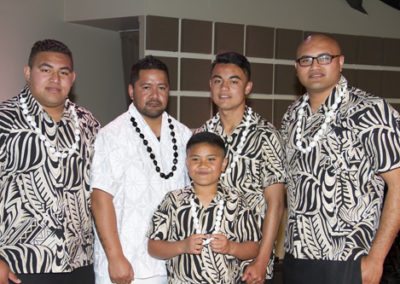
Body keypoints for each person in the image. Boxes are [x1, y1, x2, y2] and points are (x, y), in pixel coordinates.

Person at [280, 33, 400, 284]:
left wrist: (376, 259)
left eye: (324, 58)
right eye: (306, 60)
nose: (314, 66)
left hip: (350, 258)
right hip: (296, 258)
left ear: (341, 61)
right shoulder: (291, 116)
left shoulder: (371, 110)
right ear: (296, 68)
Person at [0, 39, 100, 284]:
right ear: (27, 72)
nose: (55, 79)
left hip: (81, 263)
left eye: (63, 72)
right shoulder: (4, 121)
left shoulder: (88, 123)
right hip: (20, 265)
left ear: (72, 77)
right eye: (46, 70)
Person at [91, 55, 192, 284]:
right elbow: (100, 199)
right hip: (126, 264)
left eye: (161, 87)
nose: (154, 95)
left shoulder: (184, 135)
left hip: (173, 264)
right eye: (146, 87)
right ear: (131, 90)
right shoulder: (112, 135)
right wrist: (115, 257)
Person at [198, 51, 286, 283]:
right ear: (210, 85)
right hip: (207, 264)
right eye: (218, 81)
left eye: (233, 81)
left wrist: (262, 261)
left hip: (250, 266)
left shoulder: (266, 135)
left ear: (248, 87)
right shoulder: (201, 135)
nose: (224, 88)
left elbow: (275, 204)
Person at [147, 131, 262, 283]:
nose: (203, 165)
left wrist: (231, 248)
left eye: (211, 159)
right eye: (195, 159)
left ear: (223, 164)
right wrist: (182, 246)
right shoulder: (173, 200)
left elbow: (253, 247)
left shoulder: (237, 201)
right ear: (187, 163)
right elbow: (153, 247)